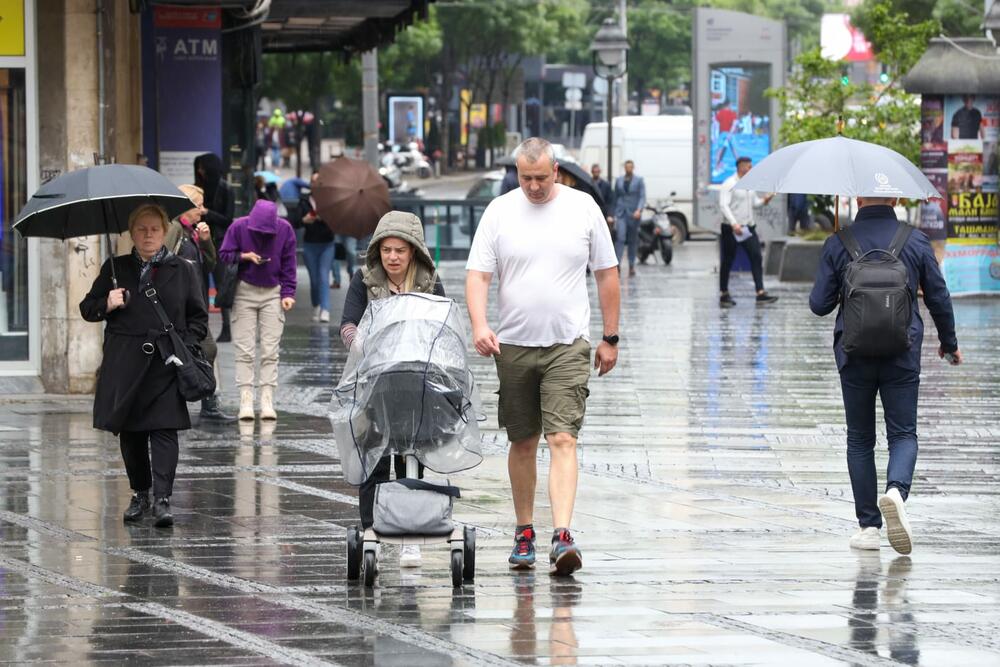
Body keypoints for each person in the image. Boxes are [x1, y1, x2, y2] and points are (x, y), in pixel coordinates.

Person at [466, 137, 620, 576]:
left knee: (562, 438)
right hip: (512, 343)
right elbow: (478, 275)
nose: (533, 186)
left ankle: (563, 534)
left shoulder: (582, 208)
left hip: (567, 343)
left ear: (557, 171)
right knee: (523, 440)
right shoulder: (499, 211)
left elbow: (607, 274)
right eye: (525, 177)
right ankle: (525, 531)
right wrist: (480, 324)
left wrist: (610, 336)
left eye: (541, 177)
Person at [810, 196, 960, 554]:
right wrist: (949, 343)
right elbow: (938, 296)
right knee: (904, 433)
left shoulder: (839, 241)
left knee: (860, 439)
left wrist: (837, 259)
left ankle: (868, 528)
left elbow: (819, 305)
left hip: (854, 355)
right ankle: (896, 491)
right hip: (902, 353)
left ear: (857, 199)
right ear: (894, 199)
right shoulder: (916, 240)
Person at [79, 204, 208, 528]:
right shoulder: (115, 267)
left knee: (164, 429)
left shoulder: (183, 269)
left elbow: (197, 318)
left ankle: (163, 499)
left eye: (154, 229)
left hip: (165, 362)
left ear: (164, 232)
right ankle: (141, 493)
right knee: (132, 434)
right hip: (125, 364)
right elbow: (87, 308)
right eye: (141, 229)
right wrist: (107, 303)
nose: (148, 235)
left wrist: (184, 347)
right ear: (131, 233)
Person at [340, 210, 442, 568]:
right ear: (378, 251)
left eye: (400, 250)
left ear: (413, 251)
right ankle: (372, 528)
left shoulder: (429, 281)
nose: (393, 257)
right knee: (374, 458)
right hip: (375, 382)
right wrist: (360, 344)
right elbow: (348, 323)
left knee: (410, 456)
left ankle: (410, 535)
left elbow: (444, 323)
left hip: (417, 383)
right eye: (387, 250)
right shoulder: (364, 280)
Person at [218, 200, 297, 421]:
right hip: (244, 290)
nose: (262, 235)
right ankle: (245, 398)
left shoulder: (285, 230)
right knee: (244, 349)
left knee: (271, 349)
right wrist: (244, 256)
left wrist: (288, 293)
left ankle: (267, 399)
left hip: (273, 292)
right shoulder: (238, 227)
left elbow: (289, 263)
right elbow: (224, 254)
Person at [165, 185, 234, 423]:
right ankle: (195, 404)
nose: (203, 211)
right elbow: (163, 262)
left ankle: (208, 404)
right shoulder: (174, 228)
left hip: (194, 304)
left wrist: (205, 241)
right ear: (186, 205)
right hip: (178, 305)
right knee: (192, 352)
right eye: (199, 205)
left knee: (207, 350)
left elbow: (210, 265)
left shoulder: (190, 232)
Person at [718, 156, 778, 307]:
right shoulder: (729, 184)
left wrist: (766, 199)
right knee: (728, 260)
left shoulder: (749, 185)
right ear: (741, 167)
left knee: (756, 256)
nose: (751, 169)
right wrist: (734, 224)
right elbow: (724, 206)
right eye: (749, 167)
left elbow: (755, 204)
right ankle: (724, 293)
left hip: (748, 228)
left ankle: (760, 293)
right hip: (732, 228)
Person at [194, 153, 235, 342]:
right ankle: (203, 328)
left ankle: (227, 328)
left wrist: (207, 213)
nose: (200, 171)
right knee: (199, 285)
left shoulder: (226, 189)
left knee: (221, 285)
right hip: (198, 241)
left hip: (218, 242)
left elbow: (228, 219)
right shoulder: (197, 188)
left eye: (203, 167)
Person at [297, 172, 336, 322]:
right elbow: (296, 220)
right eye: (314, 182)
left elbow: (337, 222)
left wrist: (325, 218)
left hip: (327, 243)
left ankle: (325, 309)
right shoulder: (304, 200)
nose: (317, 185)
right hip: (310, 244)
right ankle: (317, 304)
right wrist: (305, 220)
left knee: (323, 276)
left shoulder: (330, 201)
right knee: (314, 279)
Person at [613, 160, 646, 277]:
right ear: (624, 168)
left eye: (630, 167)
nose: (628, 169)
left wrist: (639, 209)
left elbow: (642, 197)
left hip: (633, 214)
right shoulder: (619, 180)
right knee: (620, 238)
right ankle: (617, 264)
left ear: (633, 168)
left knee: (632, 240)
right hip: (621, 213)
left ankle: (632, 264)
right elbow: (615, 196)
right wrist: (613, 213)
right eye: (626, 167)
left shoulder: (639, 180)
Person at [590, 163, 615, 236]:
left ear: (600, 172)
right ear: (592, 172)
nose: (596, 173)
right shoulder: (589, 183)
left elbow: (610, 200)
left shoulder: (606, 185)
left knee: (603, 234)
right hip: (591, 213)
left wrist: (610, 215)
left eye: (597, 171)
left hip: (603, 213)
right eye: (594, 171)